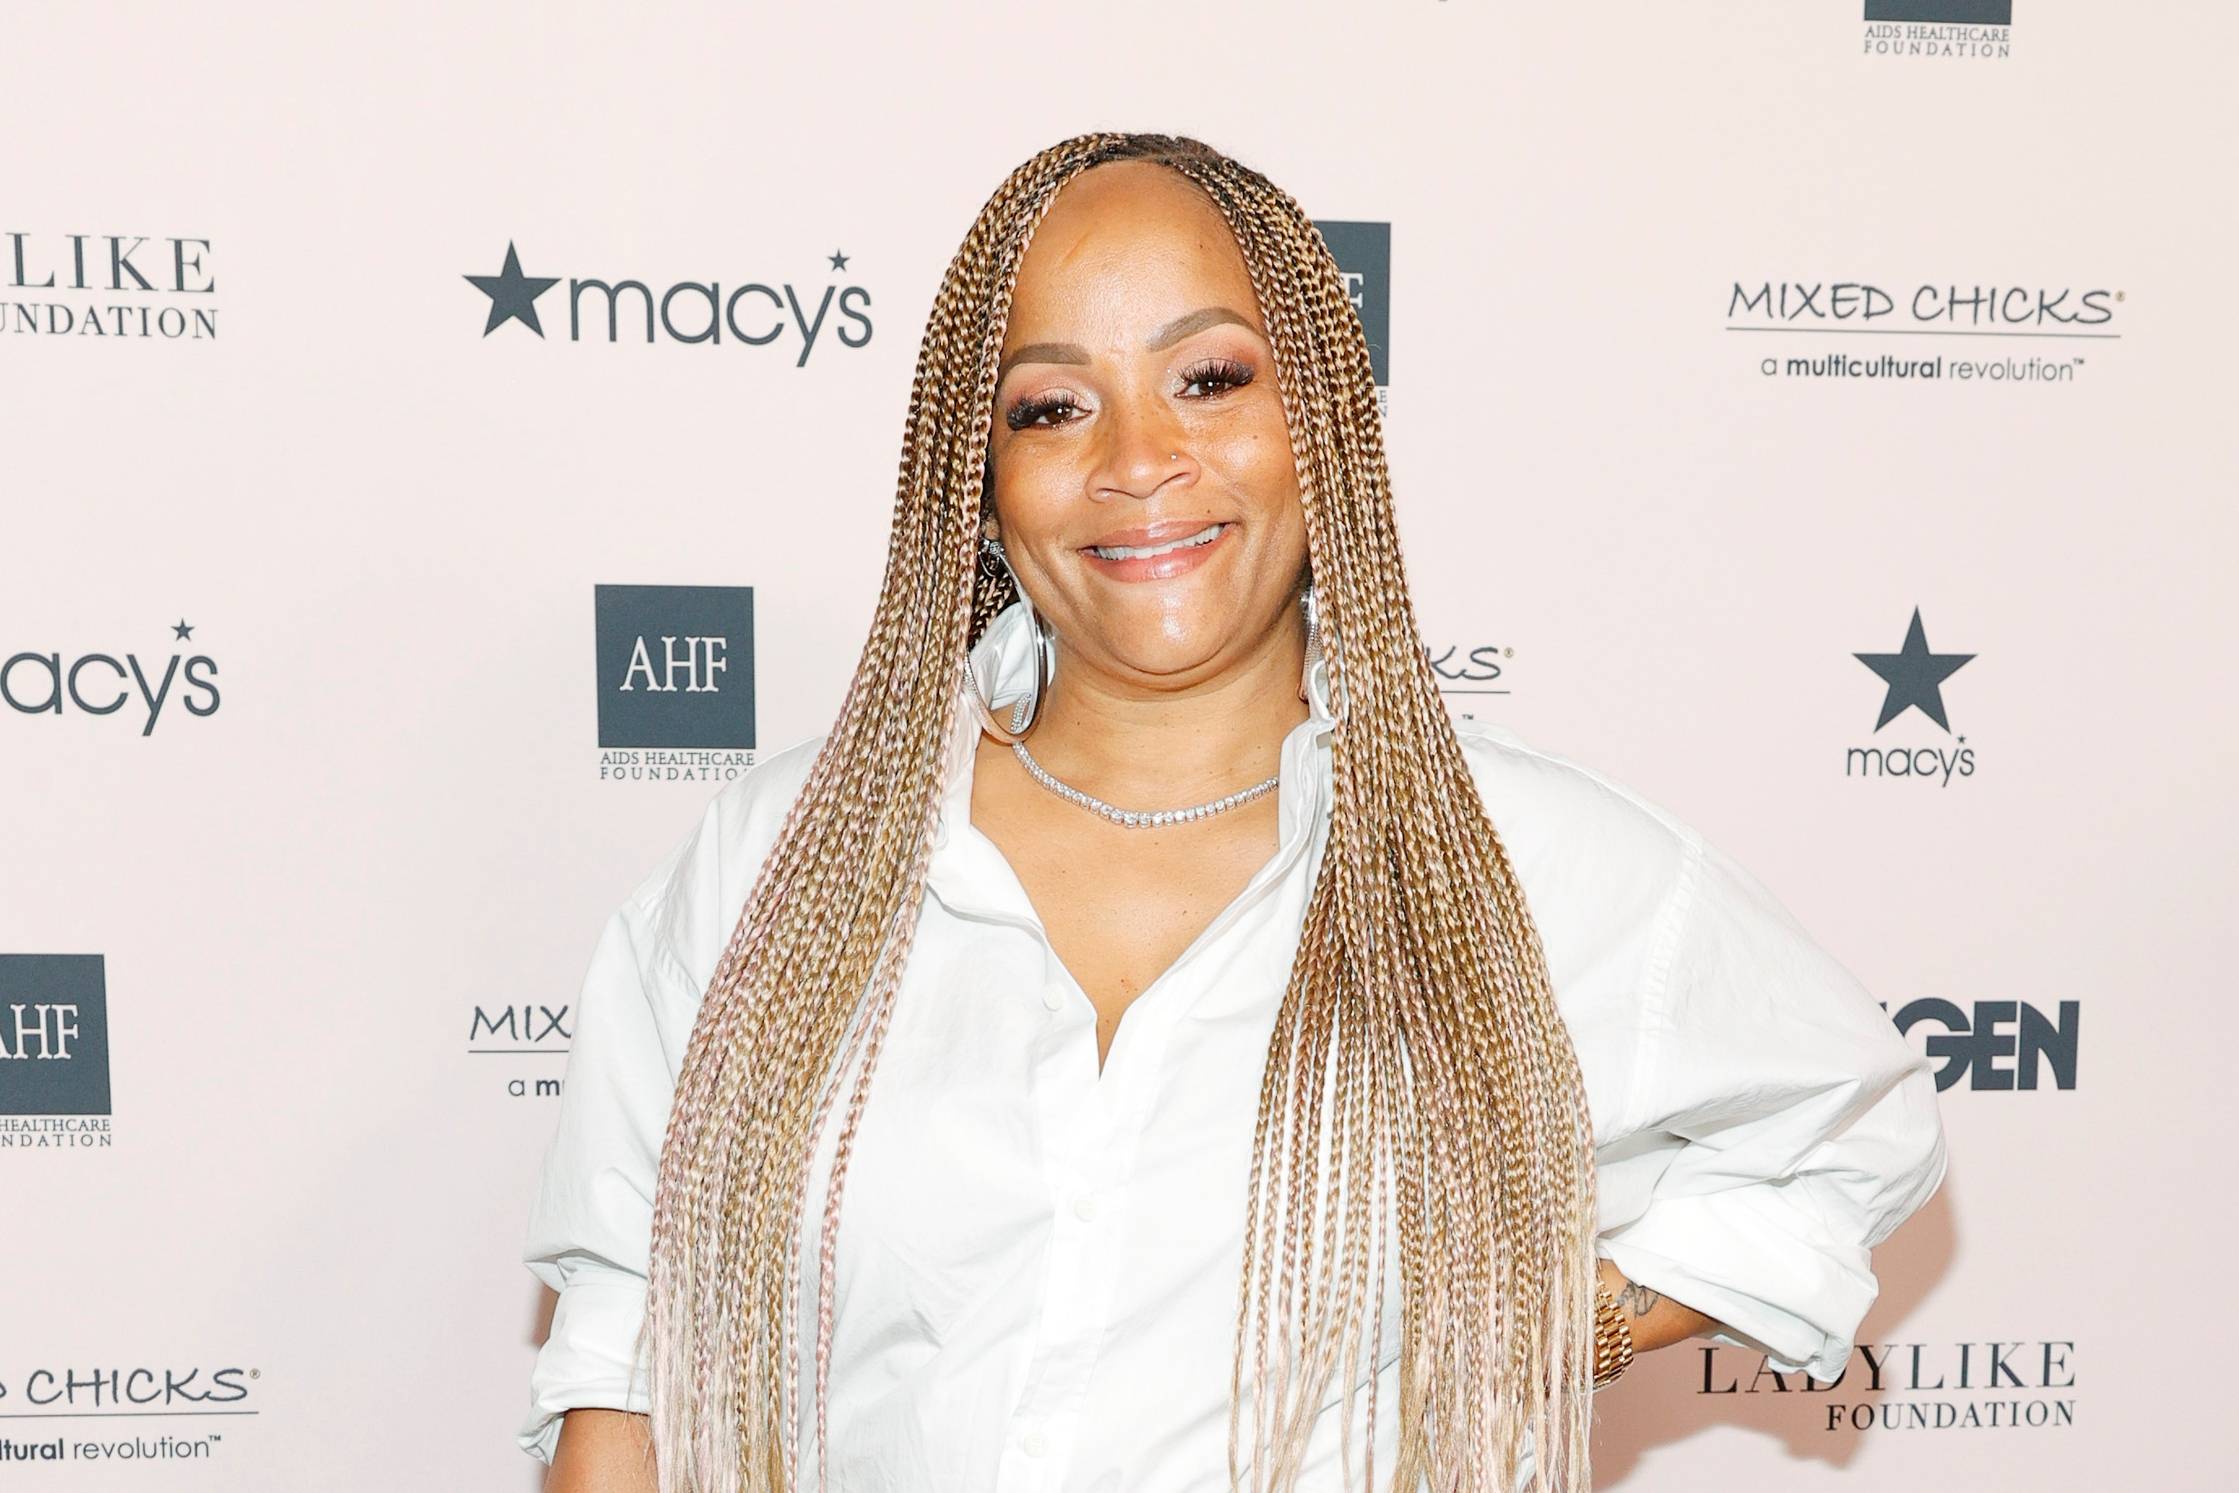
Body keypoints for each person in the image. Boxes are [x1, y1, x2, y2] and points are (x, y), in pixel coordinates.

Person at [516, 132, 1948, 1493]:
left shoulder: (1514, 862)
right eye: (1053, 404)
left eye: (1208, 378)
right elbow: (625, 1354)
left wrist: (1563, 1320)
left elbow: (1857, 1128)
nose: (1139, 459)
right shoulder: (785, 863)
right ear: (983, 476)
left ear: (1317, 422)